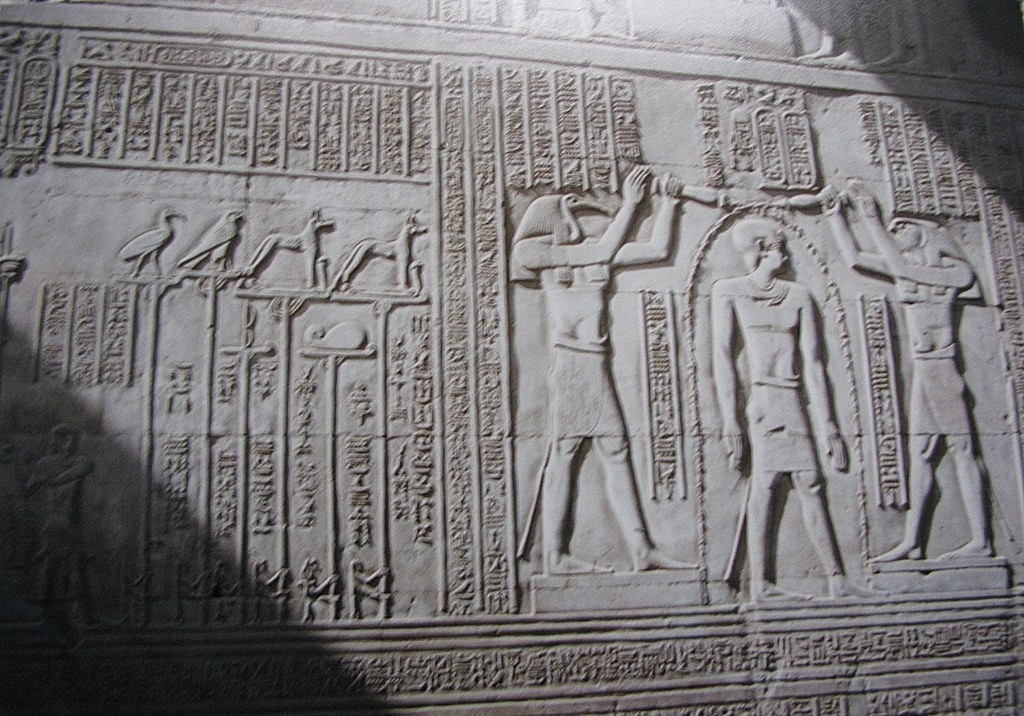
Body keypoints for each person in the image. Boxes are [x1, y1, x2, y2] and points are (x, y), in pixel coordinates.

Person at [512, 167, 715, 574]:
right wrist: (632, 205)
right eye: (572, 211)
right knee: (566, 453)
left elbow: (657, 249)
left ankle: (640, 549)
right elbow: (604, 249)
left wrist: (668, 204)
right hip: (572, 365)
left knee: (614, 451)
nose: (582, 219)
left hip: (595, 363)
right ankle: (555, 556)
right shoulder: (539, 255)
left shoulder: (593, 253)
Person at [821, 183, 992, 562]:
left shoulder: (955, 272)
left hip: (943, 369)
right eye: (892, 227)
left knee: (963, 450)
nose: (895, 232)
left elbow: (900, 266)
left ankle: (981, 540)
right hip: (924, 371)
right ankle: (914, 542)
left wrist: (871, 218)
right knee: (921, 454)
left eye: (901, 226)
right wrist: (836, 218)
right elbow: (855, 258)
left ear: (926, 230)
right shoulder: (906, 269)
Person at [712, 216, 866, 601]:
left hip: (792, 399)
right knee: (766, 484)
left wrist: (829, 425)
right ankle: (762, 583)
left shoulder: (798, 295)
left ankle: (835, 578)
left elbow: (814, 364)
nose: (786, 254)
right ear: (762, 250)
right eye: (780, 247)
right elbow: (723, 358)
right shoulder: (729, 291)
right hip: (763, 401)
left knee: (809, 482)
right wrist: (730, 420)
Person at [25, 424, 94, 618]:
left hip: (69, 522)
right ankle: (79, 614)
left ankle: (80, 613)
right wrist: (18, 465)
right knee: (61, 566)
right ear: (56, 441)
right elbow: (27, 491)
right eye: (64, 439)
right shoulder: (44, 465)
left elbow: (77, 472)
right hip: (56, 522)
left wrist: (51, 479)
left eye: (72, 439)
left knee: (62, 565)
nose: (69, 444)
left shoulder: (82, 461)